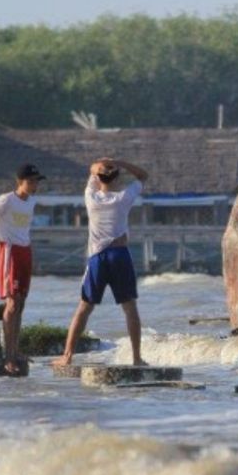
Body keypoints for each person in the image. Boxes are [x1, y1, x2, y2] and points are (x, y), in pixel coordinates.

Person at [54, 157, 150, 368]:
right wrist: (120, 162)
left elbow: (92, 169)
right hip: (119, 255)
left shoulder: (91, 197)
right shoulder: (124, 197)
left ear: (98, 179)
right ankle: (136, 358)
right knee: (130, 308)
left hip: (98, 257)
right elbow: (143, 176)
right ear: (117, 179)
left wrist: (102, 164)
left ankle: (67, 356)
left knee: (84, 307)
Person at [0, 163, 44, 374]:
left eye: (36, 181)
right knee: (12, 303)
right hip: (9, 251)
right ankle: (9, 356)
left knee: (21, 303)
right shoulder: (6, 200)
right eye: (30, 181)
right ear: (20, 182)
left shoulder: (31, 201)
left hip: (25, 251)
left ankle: (16, 350)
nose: (34, 185)